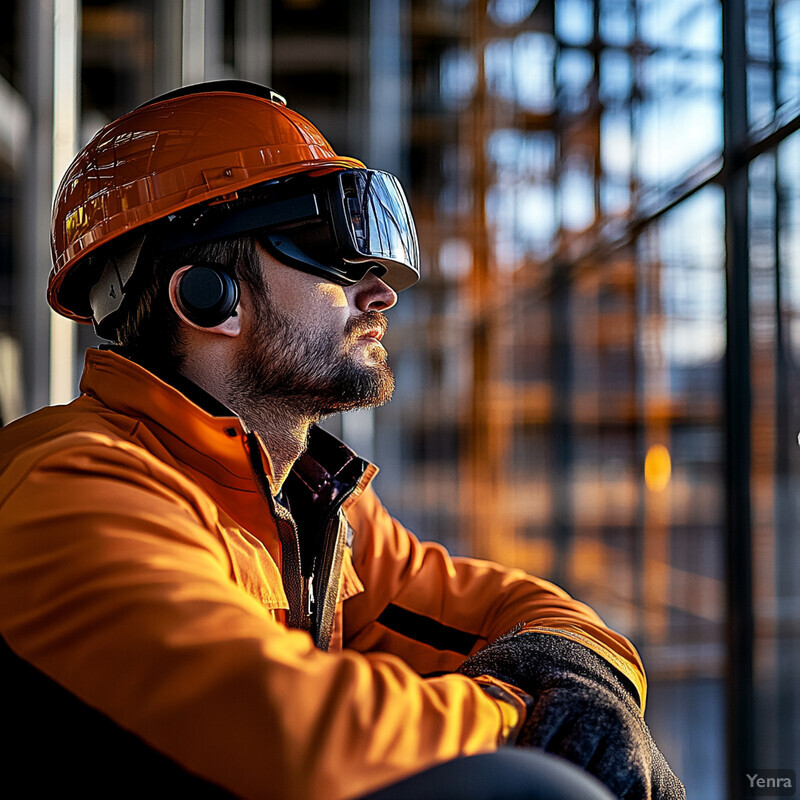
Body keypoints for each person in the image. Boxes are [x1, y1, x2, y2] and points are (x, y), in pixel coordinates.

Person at [0, 81, 683, 800]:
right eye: (330, 250)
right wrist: (531, 718)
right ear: (205, 295)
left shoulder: (309, 499)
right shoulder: (69, 488)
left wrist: (578, 687)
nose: (381, 291)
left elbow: (536, 617)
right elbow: (301, 735)